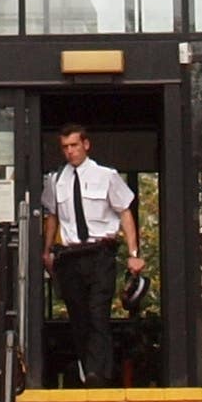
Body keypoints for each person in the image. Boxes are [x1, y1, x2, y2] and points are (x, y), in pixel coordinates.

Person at [42, 125, 141, 387]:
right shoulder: (55, 181)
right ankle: (87, 370)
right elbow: (51, 216)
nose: (70, 151)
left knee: (98, 312)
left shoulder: (106, 176)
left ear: (86, 144)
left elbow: (125, 213)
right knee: (79, 316)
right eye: (65, 147)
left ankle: (100, 373)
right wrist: (47, 250)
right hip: (71, 256)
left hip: (100, 253)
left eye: (74, 145)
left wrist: (134, 253)